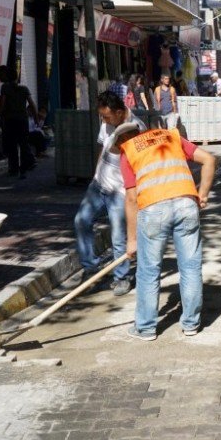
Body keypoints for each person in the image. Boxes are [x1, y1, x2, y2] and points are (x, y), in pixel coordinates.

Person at [119, 119, 217, 340]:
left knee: (148, 271)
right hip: (186, 204)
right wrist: (203, 194)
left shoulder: (127, 151)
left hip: (154, 209)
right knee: (191, 267)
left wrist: (131, 240)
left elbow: (132, 199)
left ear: (121, 140)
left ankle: (145, 328)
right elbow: (209, 159)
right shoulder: (170, 136)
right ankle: (191, 324)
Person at [70, 91, 147, 295]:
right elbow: (102, 149)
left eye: (106, 116)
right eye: (102, 116)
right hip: (98, 186)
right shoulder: (107, 124)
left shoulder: (137, 129)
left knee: (118, 235)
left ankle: (122, 277)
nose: (103, 120)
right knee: (81, 221)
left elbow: (141, 166)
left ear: (120, 112)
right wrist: (96, 175)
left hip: (120, 192)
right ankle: (90, 268)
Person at [0, 65, 38, 178]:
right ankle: (25, 166)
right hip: (23, 120)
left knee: (12, 145)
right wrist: (36, 118)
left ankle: (14, 168)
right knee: (23, 143)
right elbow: (32, 104)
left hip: (10, 120)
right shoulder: (24, 89)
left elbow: (3, 103)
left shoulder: (5, 88)